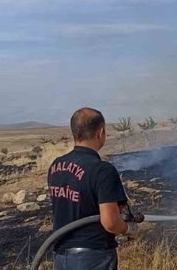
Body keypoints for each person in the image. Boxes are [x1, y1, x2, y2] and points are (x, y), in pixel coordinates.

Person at [48, 107, 139, 270]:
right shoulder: (102, 170)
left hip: (61, 256)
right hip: (91, 258)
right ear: (101, 132)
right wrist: (128, 229)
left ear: (75, 132)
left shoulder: (56, 165)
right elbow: (110, 221)